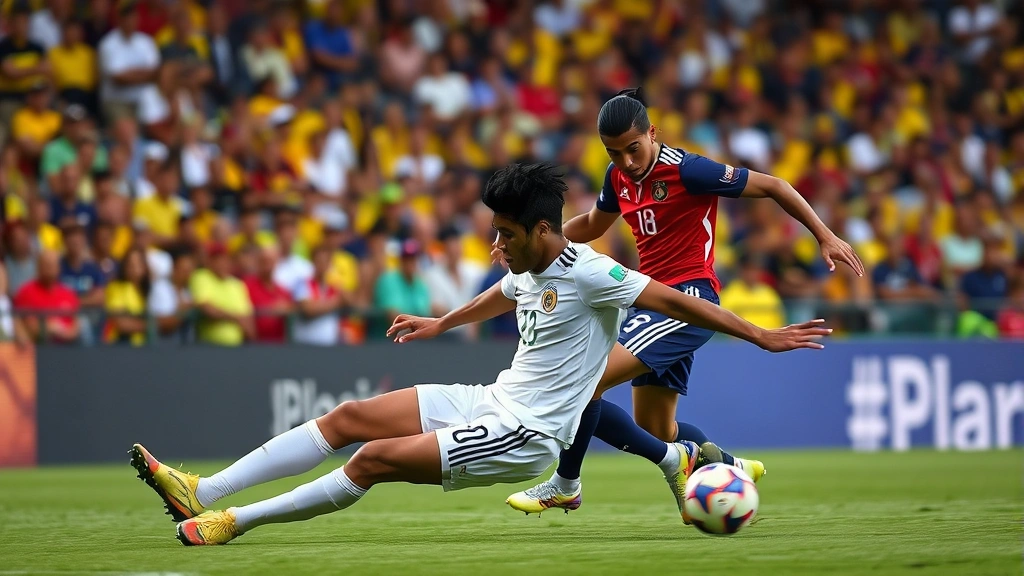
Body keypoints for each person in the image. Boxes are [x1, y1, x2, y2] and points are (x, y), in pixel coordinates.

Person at [128, 163, 830, 545]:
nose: (497, 246)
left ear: (544, 230)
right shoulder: (526, 264)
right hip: (492, 399)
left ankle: (230, 525)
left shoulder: (593, 272)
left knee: (369, 462)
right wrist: (442, 322)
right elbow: (500, 294)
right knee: (349, 418)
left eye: (506, 233)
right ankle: (204, 490)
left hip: (524, 436)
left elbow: (676, 302)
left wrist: (761, 334)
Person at [505, 88, 863, 515]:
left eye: (633, 149)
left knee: (587, 379)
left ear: (652, 133)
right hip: (650, 303)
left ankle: (566, 483)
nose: (627, 162)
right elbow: (594, 224)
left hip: (689, 297)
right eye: (614, 153)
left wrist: (824, 235)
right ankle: (729, 466)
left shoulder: (688, 170)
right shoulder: (617, 176)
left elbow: (774, 185)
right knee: (656, 426)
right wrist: (534, 234)